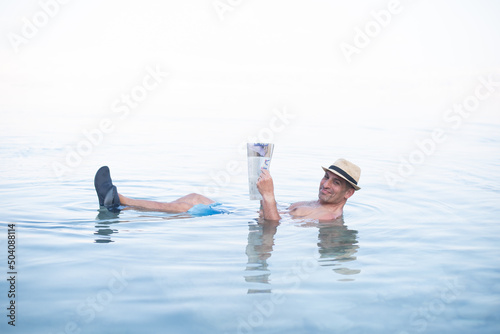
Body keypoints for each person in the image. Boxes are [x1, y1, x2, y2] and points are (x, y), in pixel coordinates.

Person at [93, 158, 361, 221]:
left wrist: (268, 194)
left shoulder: (328, 216)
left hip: (237, 220)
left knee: (187, 208)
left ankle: (120, 202)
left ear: (348, 193)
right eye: (326, 177)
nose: (326, 184)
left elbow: (273, 225)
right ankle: (120, 203)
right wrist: (260, 191)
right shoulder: (316, 204)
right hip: (246, 213)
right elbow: (271, 213)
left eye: (335, 182)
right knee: (193, 197)